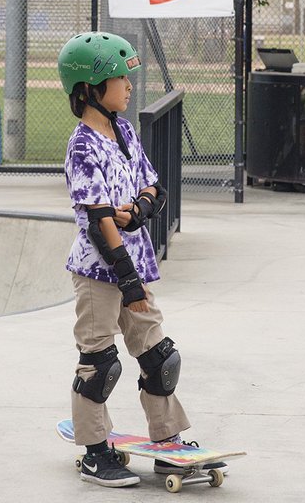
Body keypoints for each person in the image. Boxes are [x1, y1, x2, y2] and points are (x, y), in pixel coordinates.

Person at [58, 31, 221, 488]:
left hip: (133, 266)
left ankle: (167, 444)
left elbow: (153, 186)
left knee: (159, 356)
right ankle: (95, 453)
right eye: (120, 79)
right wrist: (128, 281)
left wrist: (139, 209)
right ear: (90, 87)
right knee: (100, 363)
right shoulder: (82, 146)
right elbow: (98, 221)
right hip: (99, 272)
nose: (129, 86)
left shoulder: (125, 132)